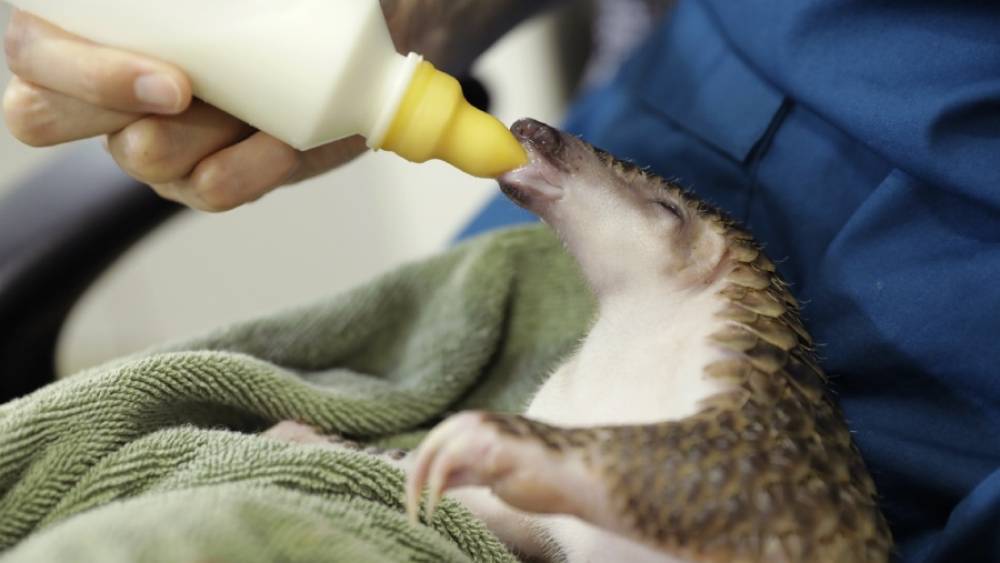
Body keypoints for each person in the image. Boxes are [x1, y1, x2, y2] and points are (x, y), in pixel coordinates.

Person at [4, 1, 999, 561]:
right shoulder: (601, 304)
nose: (533, 159)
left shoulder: (717, 380)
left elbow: (698, 496)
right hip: (677, 117)